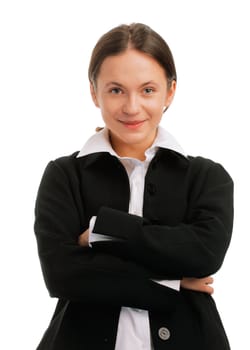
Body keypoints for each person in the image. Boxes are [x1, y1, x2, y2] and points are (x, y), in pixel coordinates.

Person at [34, 23, 233, 350]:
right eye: (115, 90)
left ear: (170, 92)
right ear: (93, 91)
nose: (131, 107)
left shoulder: (207, 176)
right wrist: (174, 284)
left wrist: (104, 230)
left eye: (147, 90)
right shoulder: (64, 174)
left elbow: (204, 254)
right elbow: (62, 275)